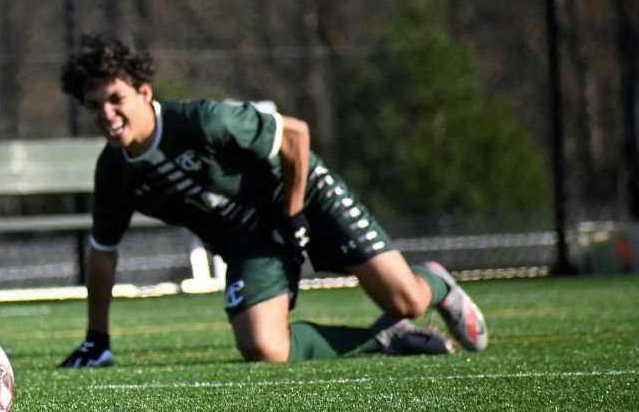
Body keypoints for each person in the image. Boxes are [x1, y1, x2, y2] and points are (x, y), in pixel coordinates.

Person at [55, 34, 486, 366]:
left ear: (145, 93)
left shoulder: (204, 121)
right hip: (249, 241)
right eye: (95, 106)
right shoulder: (114, 172)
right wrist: (98, 339)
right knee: (263, 346)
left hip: (307, 197)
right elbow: (103, 254)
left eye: (116, 99)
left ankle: (436, 284)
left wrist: (294, 213)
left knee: (406, 300)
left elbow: (296, 134)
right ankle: (388, 338)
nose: (107, 114)